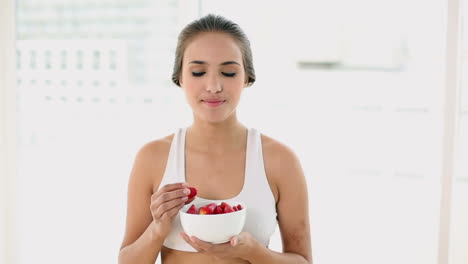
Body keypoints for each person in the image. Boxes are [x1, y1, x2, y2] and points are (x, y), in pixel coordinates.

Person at [118, 14, 312, 264]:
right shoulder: (152, 157)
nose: (213, 86)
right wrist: (157, 228)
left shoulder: (280, 160)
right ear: (180, 78)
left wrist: (253, 252)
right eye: (198, 72)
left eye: (229, 73)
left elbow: (303, 260)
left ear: (246, 78)